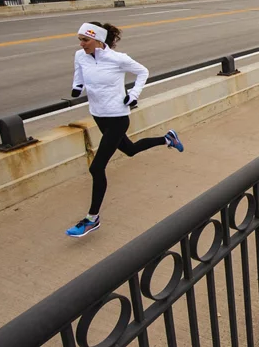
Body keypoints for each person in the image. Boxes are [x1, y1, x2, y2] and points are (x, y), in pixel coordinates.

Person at [66, 21, 185, 238]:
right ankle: (168, 139)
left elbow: (143, 72)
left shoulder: (118, 59)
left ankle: (92, 219)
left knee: (96, 168)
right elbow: (79, 73)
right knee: (129, 150)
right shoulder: (80, 56)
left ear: (98, 40)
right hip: (98, 115)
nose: (81, 44)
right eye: (80, 39)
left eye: (85, 39)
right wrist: (77, 86)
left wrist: (134, 94)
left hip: (118, 117)